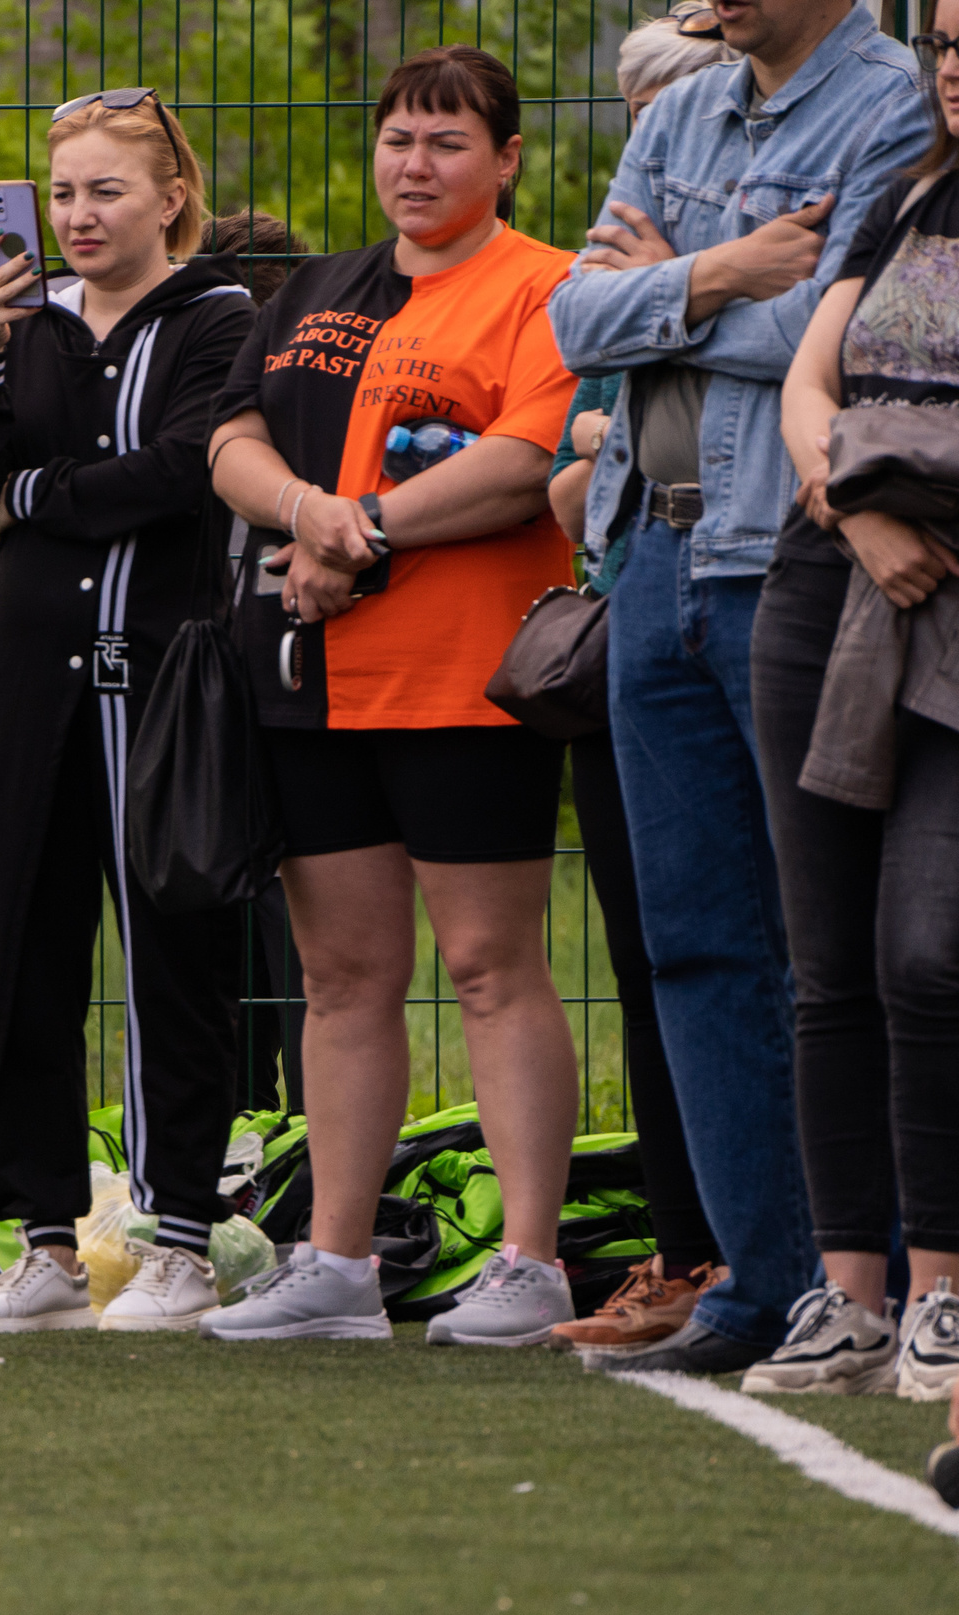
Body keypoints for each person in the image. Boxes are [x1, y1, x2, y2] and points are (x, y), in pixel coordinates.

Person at [548, 0, 933, 1374]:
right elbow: (576, 321)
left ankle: (881, 1277)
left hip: (785, 557)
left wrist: (683, 286)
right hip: (646, 557)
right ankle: (758, 1284)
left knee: (827, 944)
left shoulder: (892, 100)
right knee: (695, 946)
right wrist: (723, 276)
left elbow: (857, 340)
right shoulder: (687, 107)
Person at [198, 46, 583, 1346]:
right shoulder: (314, 287)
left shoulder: (547, 288)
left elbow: (529, 463)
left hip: (467, 676)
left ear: (509, 160)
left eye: (448, 143)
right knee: (341, 972)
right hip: (310, 679)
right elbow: (229, 438)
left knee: (488, 963)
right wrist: (305, 509)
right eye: (399, 141)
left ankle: (532, 1259)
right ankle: (338, 1262)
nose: (415, 166)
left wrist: (355, 525)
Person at [0, 90, 255, 1334]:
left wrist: (34, 492)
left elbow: (175, 477)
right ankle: (46, 1246)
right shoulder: (27, 322)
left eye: (106, 191)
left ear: (168, 197)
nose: (77, 216)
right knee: (14, 955)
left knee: (173, 953)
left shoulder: (222, 315)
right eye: (61, 194)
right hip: (19, 679)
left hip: (161, 680)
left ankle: (177, 1241)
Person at [741, 2, 959, 1401]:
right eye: (946, 44)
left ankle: (943, 1295)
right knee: (824, 965)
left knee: (929, 953)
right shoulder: (907, 190)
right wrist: (850, 497)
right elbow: (809, 380)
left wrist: (899, 511)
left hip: (946, 593)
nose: (955, 69)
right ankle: (850, 1296)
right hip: (828, 586)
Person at [542, 4, 739, 1353]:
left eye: (679, 110)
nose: (651, 142)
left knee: (782, 953)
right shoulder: (614, 272)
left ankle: (785, 1247)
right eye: (638, 117)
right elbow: (570, 483)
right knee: (652, 950)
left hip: (755, 612)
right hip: (627, 633)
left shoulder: (795, 247)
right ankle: (681, 1248)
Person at [210, 207, 314, 1118]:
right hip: (214, 704)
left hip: (287, 690)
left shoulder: (308, 424)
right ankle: (252, 1146)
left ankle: (303, 1151)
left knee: (299, 955)